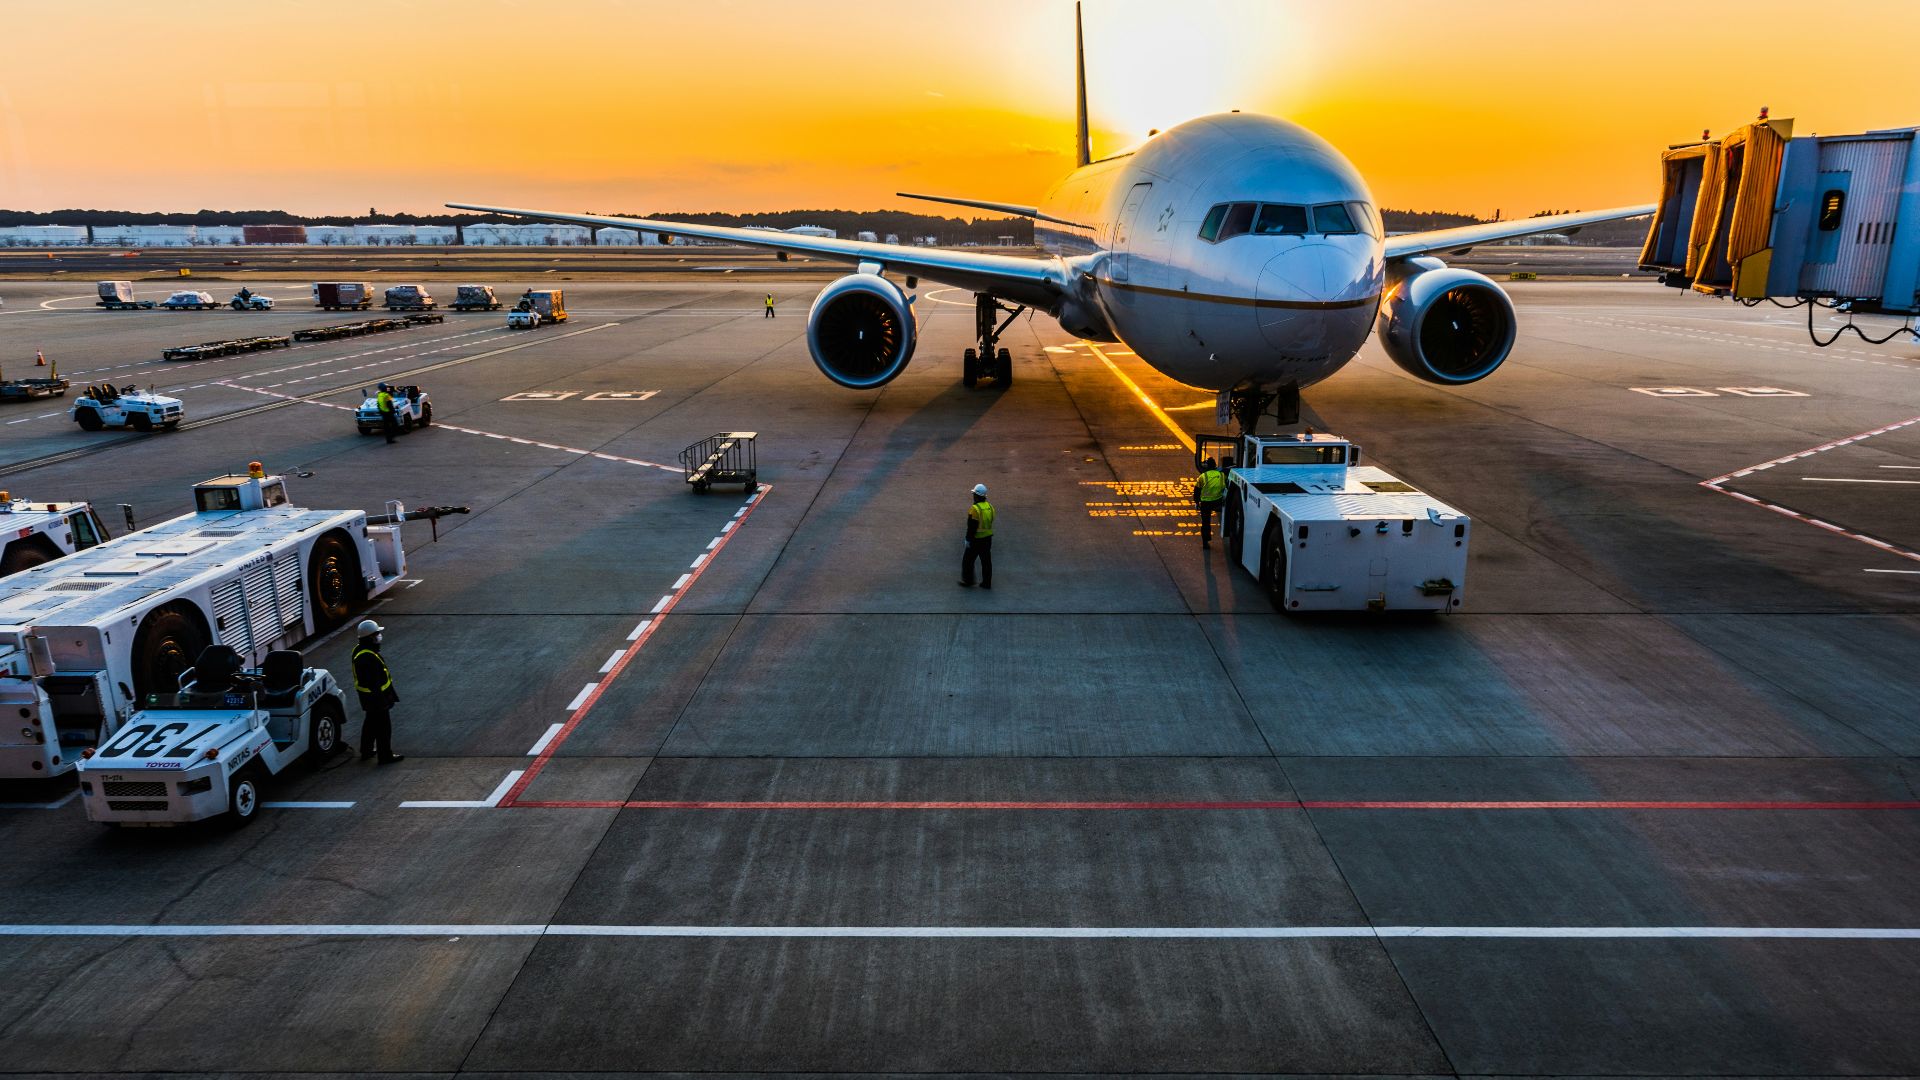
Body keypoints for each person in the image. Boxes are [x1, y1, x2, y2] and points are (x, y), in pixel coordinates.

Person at [353, 619, 403, 764]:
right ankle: (385, 756)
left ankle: (366, 750)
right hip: (376, 698)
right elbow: (373, 683)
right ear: (370, 637)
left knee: (370, 723)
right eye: (377, 634)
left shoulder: (360, 650)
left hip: (367, 697)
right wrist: (382, 701)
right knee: (383, 728)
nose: (379, 637)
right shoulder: (368, 657)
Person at [958, 483, 994, 589]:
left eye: (974, 494)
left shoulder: (975, 509)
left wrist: (968, 539)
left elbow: (971, 527)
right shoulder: (990, 507)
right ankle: (987, 583)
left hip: (976, 540)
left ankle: (968, 581)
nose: (973, 496)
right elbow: (991, 520)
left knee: (967, 560)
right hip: (988, 539)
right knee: (986, 562)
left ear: (977, 496)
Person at [1194, 457, 1227, 548]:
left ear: (1207, 466)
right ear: (1215, 466)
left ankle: (1205, 542)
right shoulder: (1221, 475)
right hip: (1218, 501)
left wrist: (1197, 502)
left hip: (1205, 503)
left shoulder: (1203, 476)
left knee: (1205, 522)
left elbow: (1197, 490)